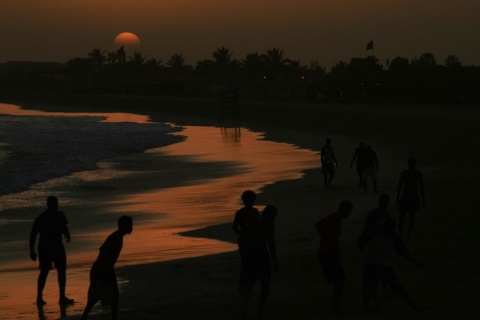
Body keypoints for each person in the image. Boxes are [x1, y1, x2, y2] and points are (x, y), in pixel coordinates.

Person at [362, 217, 424, 312]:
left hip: (382, 266)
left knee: (397, 287)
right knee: (368, 287)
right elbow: (362, 241)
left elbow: (404, 253)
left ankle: (413, 306)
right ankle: (366, 307)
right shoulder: (376, 234)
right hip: (372, 265)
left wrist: (416, 263)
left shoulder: (392, 238)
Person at [80, 215, 133, 320]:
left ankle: (85, 317)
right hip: (102, 270)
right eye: (130, 225)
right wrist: (104, 271)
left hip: (104, 269)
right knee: (101, 295)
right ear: (123, 226)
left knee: (103, 295)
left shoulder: (118, 236)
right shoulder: (116, 237)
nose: (131, 228)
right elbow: (102, 252)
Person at [29, 196, 74, 306]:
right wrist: (32, 250)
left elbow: (64, 227)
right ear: (48, 204)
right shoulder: (42, 218)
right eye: (53, 203)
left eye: (56, 203)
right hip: (45, 248)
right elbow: (33, 234)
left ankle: (62, 297)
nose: (55, 205)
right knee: (44, 272)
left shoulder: (60, 215)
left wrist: (67, 234)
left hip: (58, 246)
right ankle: (39, 297)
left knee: (62, 271)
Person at [240, 205, 278, 319]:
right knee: (265, 284)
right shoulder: (269, 225)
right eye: (274, 216)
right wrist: (275, 260)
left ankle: (244, 308)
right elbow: (271, 243)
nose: (275, 218)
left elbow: (242, 239)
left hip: (249, 254)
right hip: (261, 253)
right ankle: (260, 311)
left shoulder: (250, 222)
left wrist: (243, 255)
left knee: (249, 283)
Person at [315, 200, 353, 314]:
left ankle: (336, 304)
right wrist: (327, 237)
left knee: (338, 279)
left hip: (328, 252)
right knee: (340, 279)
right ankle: (336, 305)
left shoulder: (336, 218)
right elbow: (318, 225)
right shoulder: (336, 217)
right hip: (328, 252)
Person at [232, 190, 260, 290]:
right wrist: (243, 234)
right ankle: (243, 283)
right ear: (245, 200)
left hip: (254, 239)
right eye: (249, 199)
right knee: (245, 262)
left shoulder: (255, 211)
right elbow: (235, 227)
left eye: (252, 199)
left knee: (254, 260)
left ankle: (250, 280)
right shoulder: (240, 213)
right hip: (244, 240)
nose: (251, 201)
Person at [396, 157, 425, 238]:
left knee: (402, 215)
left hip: (405, 195)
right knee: (412, 216)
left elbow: (400, 186)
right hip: (414, 195)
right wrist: (423, 198)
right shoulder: (418, 173)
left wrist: (397, 197)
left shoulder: (404, 173)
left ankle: (401, 233)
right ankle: (409, 233)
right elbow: (422, 187)